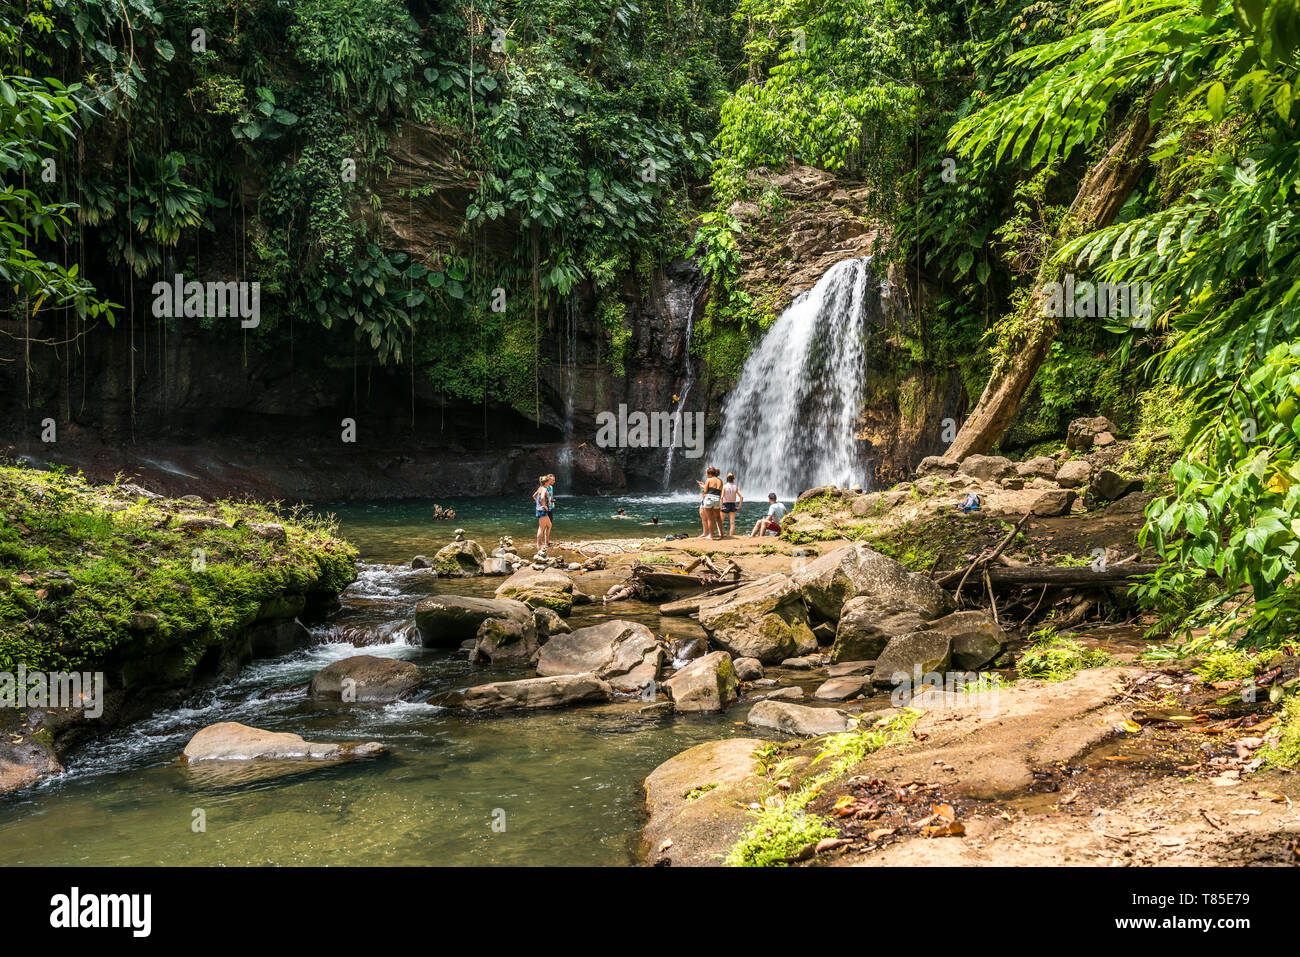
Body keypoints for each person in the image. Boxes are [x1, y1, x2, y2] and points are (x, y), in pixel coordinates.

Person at [697, 466, 724, 539]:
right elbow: (719, 491)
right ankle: (721, 534)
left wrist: (702, 486)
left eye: (706, 473)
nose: (706, 475)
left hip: (709, 499)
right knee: (718, 517)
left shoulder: (708, 480)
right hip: (717, 499)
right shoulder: (720, 480)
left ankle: (711, 536)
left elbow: (705, 491)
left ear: (710, 474)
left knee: (710, 518)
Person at [720, 472, 743, 538]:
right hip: (733, 505)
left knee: (720, 521)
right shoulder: (735, 487)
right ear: (733, 479)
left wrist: (721, 506)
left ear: (727, 479)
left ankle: (721, 534)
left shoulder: (724, 486)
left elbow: (721, 497)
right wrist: (739, 506)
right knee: (732, 522)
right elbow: (741, 497)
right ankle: (731, 536)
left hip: (725, 504)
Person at [533, 475, 551, 553]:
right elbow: (542, 497)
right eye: (549, 481)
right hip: (542, 510)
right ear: (546, 482)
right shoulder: (544, 489)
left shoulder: (540, 488)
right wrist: (544, 506)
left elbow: (534, 496)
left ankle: (546, 542)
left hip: (540, 510)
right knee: (541, 528)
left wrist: (538, 504)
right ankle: (539, 544)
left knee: (549, 525)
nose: (549, 483)